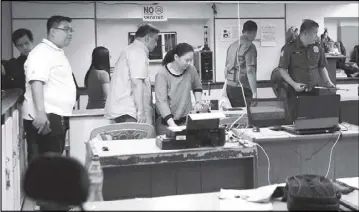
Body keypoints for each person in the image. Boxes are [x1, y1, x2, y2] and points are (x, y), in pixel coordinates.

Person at [22, 15, 76, 162]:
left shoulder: (56, 52)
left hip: (55, 117)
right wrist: (40, 113)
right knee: (46, 164)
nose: (70, 33)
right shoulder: (41, 52)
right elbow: (36, 81)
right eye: (66, 29)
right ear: (52, 32)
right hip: (45, 118)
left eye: (71, 30)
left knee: (53, 162)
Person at [278, 19, 336, 123]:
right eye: (314, 33)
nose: (317, 36)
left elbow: (321, 67)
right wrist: (294, 84)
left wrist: (328, 82)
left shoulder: (317, 47)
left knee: (313, 122)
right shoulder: (289, 47)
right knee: (295, 122)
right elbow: (282, 69)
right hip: (295, 93)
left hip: (314, 92)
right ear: (305, 33)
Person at [105, 24, 160, 124]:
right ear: (147, 38)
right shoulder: (138, 52)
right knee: (138, 138)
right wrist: (141, 112)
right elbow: (136, 82)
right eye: (155, 40)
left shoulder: (130, 50)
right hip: (130, 112)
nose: (156, 44)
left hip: (124, 110)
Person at [155, 43, 203, 135]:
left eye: (191, 60)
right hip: (167, 123)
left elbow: (197, 86)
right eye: (187, 60)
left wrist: (198, 102)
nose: (189, 63)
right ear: (176, 57)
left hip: (186, 120)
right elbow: (162, 102)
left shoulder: (191, 70)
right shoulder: (162, 74)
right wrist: (172, 125)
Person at [220, 20, 258, 109]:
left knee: (235, 115)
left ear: (243, 31)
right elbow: (250, 71)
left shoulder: (232, 46)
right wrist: (255, 93)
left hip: (230, 87)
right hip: (242, 87)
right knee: (247, 116)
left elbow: (226, 69)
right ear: (254, 32)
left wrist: (227, 85)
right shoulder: (250, 46)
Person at [1, 28, 34, 93]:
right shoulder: (14, 64)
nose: (24, 47)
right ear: (16, 47)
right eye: (20, 45)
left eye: (26, 43)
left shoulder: (43, 58)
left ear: (32, 41)